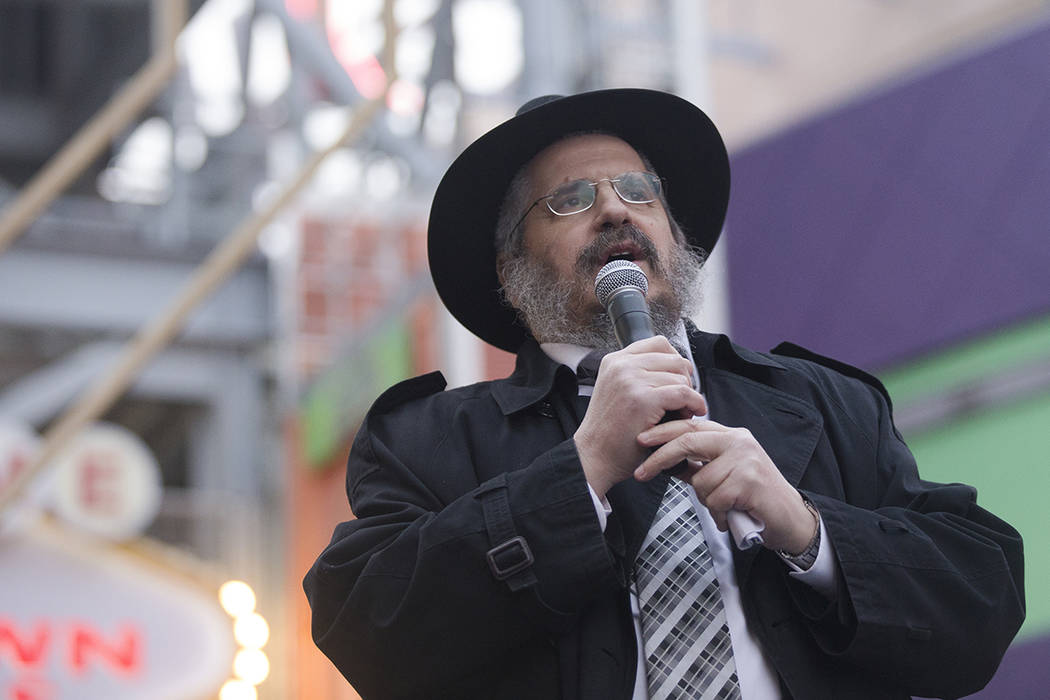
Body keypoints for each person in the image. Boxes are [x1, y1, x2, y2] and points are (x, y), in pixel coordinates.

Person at [304, 89, 1024, 700]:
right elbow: (371, 633)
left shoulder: (821, 402)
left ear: (672, 232)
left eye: (638, 190)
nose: (615, 211)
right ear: (511, 265)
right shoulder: (427, 441)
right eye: (570, 199)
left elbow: (982, 600)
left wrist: (806, 529)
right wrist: (579, 473)